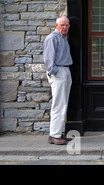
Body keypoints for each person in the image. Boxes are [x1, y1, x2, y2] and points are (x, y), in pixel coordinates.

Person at [43, 16, 73, 145]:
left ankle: (59, 132)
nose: (65, 27)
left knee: (63, 103)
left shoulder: (63, 38)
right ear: (56, 25)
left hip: (65, 70)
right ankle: (54, 135)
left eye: (67, 25)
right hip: (59, 71)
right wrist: (54, 71)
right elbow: (48, 58)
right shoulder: (52, 38)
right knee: (58, 104)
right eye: (62, 25)